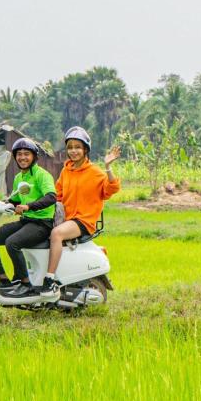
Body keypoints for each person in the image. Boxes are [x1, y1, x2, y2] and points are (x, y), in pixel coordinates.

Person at [39, 126, 121, 295]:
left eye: (77, 147)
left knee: (56, 234)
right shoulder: (66, 171)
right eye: (70, 147)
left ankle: (49, 280)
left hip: (83, 221)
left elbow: (112, 188)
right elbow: (57, 196)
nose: (73, 151)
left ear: (85, 150)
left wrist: (108, 166)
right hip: (67, 220)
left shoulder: (95, 172)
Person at [0, 137, 57, 297]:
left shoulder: (42, 175)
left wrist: (28, 206)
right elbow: (14, 200)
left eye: (26, 154)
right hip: (26, 221)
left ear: (34, 156)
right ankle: (4, 279)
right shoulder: (19, 178)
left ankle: (26, 284)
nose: (22, 157)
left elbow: (51, 197)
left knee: (12, 243)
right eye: (19, 154)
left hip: (42, 224)